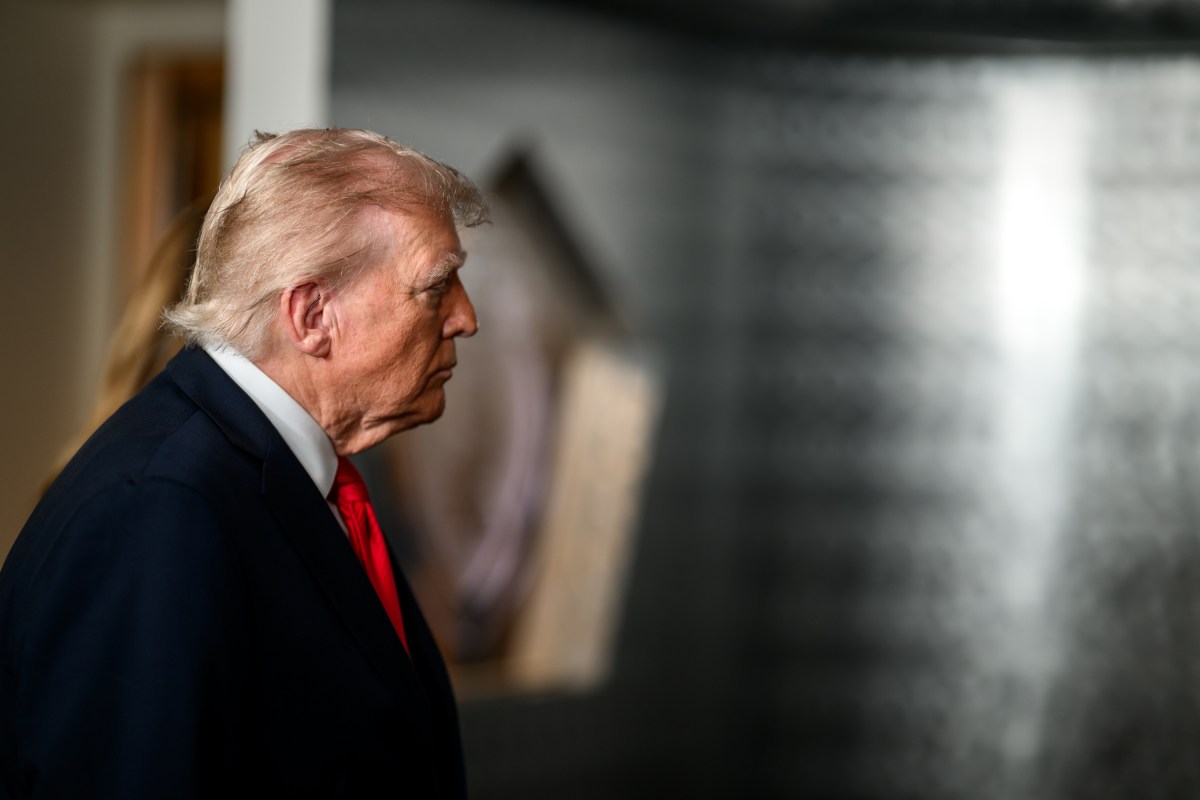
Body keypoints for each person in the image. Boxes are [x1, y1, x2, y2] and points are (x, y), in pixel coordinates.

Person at [0, 128, 488, 798]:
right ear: (313, 315)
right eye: (436, 285)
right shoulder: (160, 506)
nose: (466, 316)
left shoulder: (292, 475)